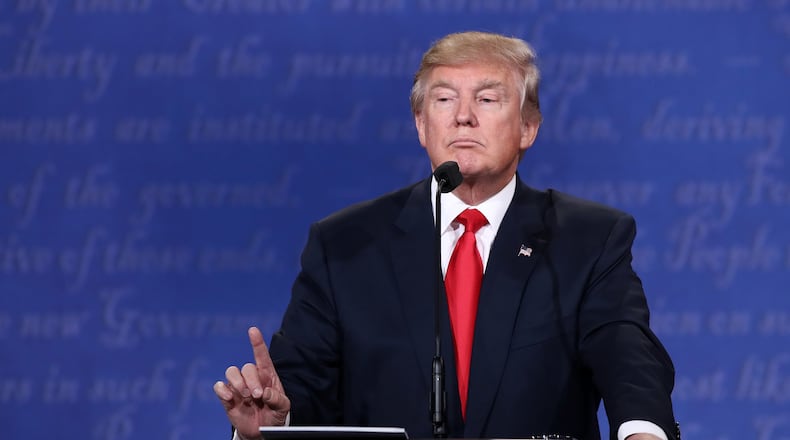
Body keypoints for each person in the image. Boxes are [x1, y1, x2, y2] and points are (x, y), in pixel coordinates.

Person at [213, 31, 679, 440]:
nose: (463, 117)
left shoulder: (587, 238)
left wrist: (642, 429)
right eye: (444, 100)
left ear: (528, 127)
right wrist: (276, 424)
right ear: (421, 125)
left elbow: (627, 356)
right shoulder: (344, 245)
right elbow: (299, 389)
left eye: (487, 99)